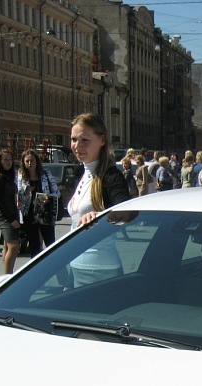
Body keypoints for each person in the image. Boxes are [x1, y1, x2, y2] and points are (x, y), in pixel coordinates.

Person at [66, 113, 132, 286]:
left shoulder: (111, 176)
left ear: (102, 140)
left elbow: (128, 213)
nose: (77, 146)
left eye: (84, 140)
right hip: (76, 265)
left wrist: (101, 216)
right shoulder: (81, 173)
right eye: (74, 139)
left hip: (100, 269)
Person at [17, 148, 61, 257]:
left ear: (37, 161)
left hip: (45, 212)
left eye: (32, 160)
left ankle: (55, 264)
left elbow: (57, 192)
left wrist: (48, 197)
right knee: (34, 245)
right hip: (29, 214)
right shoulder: (22, 176)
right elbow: (19, 196)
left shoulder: (45, 174)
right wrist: (26, 191)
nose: (30, 163)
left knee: (50, 243)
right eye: (27, 161)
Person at [0, 148, 20, 274]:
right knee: (14, 246)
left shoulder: (8, 176)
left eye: (10, 159)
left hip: (11, 211)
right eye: (5, 160)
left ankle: (6, 274)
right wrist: (11, 219)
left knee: (7, 245)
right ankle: (8, 276)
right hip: (4, 215)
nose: (8, 162)